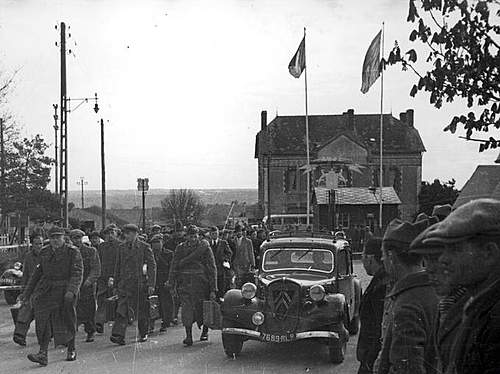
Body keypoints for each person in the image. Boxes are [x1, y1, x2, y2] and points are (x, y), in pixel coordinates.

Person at [422, 198, 500, 374]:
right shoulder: (479, 305)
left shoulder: (494, 317)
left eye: (455, 249)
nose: (444, 258)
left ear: (489, 253)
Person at [375, 218, 439, 374]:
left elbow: (408, 368)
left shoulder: (407, 305)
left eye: (383, 254)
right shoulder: (434, 290)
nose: (382, 259)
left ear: (391, 256)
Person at [409, 220, 468, 373]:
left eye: (436, 258)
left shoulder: (472, 307)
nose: (429, 271)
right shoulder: (446, 304)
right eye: (426, 260)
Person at [20, 226, 83, 366]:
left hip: (66, 290)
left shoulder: (73, 252)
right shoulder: (45, 252)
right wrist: (27, 293)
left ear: (63, 238)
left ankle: (71, 348)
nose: (55, 240)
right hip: (48, 290)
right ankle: (43, 353)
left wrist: (71, 291)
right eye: (52, 237)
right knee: (44, 320)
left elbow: (77, 273)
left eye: (58, 237)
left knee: (68, 319)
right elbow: (37, 274)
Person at [168, 225, 217, 346]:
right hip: (185, 284)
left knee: (203, 309)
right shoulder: (180, 248)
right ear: (187, 236)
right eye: (191, 236)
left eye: (195, 236)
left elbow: (212, 268)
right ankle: (188, 336)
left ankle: (205, 332)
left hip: (201, 284)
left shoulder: (204, 248)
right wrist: (171, 283)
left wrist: (213, 288)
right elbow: (174, 266)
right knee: (186, 310)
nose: (193, 239)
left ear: (198, 236)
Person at [110, 224, 156, 345]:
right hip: (124, 284)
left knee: (141, 310)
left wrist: (151, 284)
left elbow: (152, 266)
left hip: (139, 284)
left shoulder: (144, 247)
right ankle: (119, 335)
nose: (126, 236)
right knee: (122, 310)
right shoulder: (121, 247)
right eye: (125, 233)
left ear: (136, 234)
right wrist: (115, 285)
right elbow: (117, 267)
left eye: (129, 233)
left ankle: (143, 332)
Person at [356, 237, 387, 374]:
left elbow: (379, 327)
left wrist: (370, 361)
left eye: (363, 255)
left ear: (370, 258)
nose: (362, 260)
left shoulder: (380, 286)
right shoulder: (380, 280)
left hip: (372, 359)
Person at [69, 229, 101, 343]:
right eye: (74, 238)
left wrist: (89, 281)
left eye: (78, 238)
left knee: (89, 309)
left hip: (87, 286)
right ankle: (70, 333)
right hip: (73, 285)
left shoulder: (91, 251)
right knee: (72, 309)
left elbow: (96, 269)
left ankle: (90, 331)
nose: (76, 240)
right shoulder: (69, 252)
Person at [13, 234, 44, 346]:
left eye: (40, 243)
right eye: (36, 244)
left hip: (45, 289)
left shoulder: (47, 254)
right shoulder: (28, 257)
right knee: (25, 311)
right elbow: (25, 274)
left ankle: (47, 336)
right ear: (32, 245)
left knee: (44, 315)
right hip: (31, 288)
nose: (39, 246)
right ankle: (20, 335)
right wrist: (23, 291)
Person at [95, 224, 119, 333]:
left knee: (118, 300)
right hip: (103, 277)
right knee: (102, 299)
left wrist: (115, 277)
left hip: (117, 277)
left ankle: (120, 323)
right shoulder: (101, 247)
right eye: (107, 233)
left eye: (112, 233)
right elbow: (98, 262)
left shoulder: (121, 246)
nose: (109, 235)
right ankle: (99, 322)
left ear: (116, 234)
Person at [150, 233, 174, 332]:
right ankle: (151, 324)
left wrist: (170, 281)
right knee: (152, 304)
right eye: (154, 243)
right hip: (153, 282)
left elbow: (172, 268)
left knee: (166, 303)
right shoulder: (149, 254)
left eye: (158, 242)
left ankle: (165, 322)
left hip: (165, 281)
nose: (156, 245)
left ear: (162, 243)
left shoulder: (169, 254)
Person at [208, 226, 233, 299]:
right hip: (210, 271)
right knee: (211, 289)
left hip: (220, 270)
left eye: (216, 233)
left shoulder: (223, 243)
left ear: (218, 234)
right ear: (210, 234)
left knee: (221, 288)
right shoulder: (207, 244)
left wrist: (225, 259)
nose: (214, 235)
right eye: (213, 234)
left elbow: (229, 253)